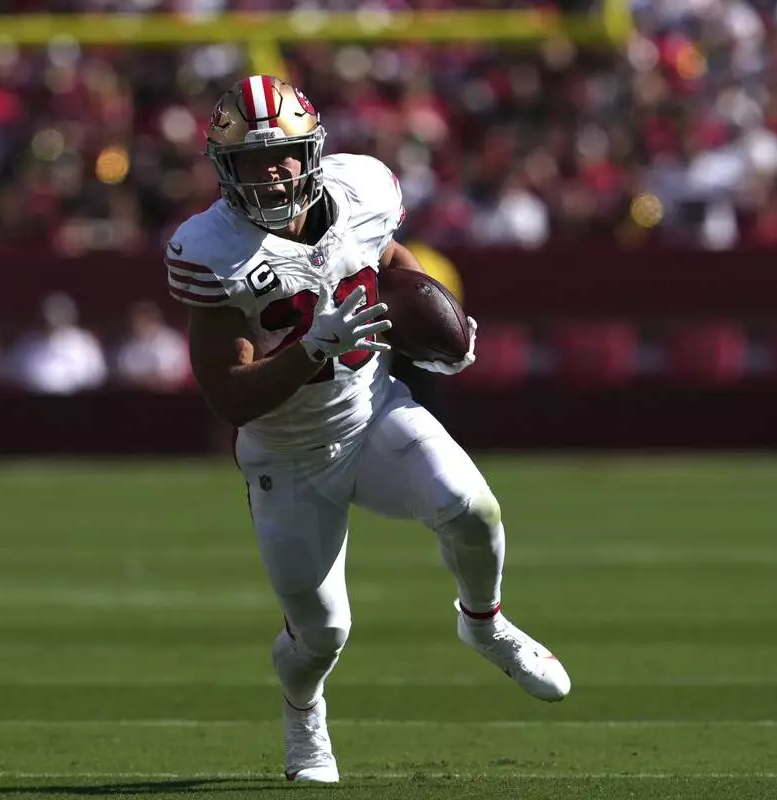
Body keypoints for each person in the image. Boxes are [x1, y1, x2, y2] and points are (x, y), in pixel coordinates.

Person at [166, 75, 570, 784]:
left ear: (311, 152)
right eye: (250, 161)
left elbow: (387, 262)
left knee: (473, 512)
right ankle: (304, 713)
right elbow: (231, 398)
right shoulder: (211, 250)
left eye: (283, 154)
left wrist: (437, 324)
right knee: (322, 635)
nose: (270, 172)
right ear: (221, 167)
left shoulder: (364, 192)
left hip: (372, 410)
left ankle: (484, 623)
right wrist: (310, 349)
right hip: (286, 456)